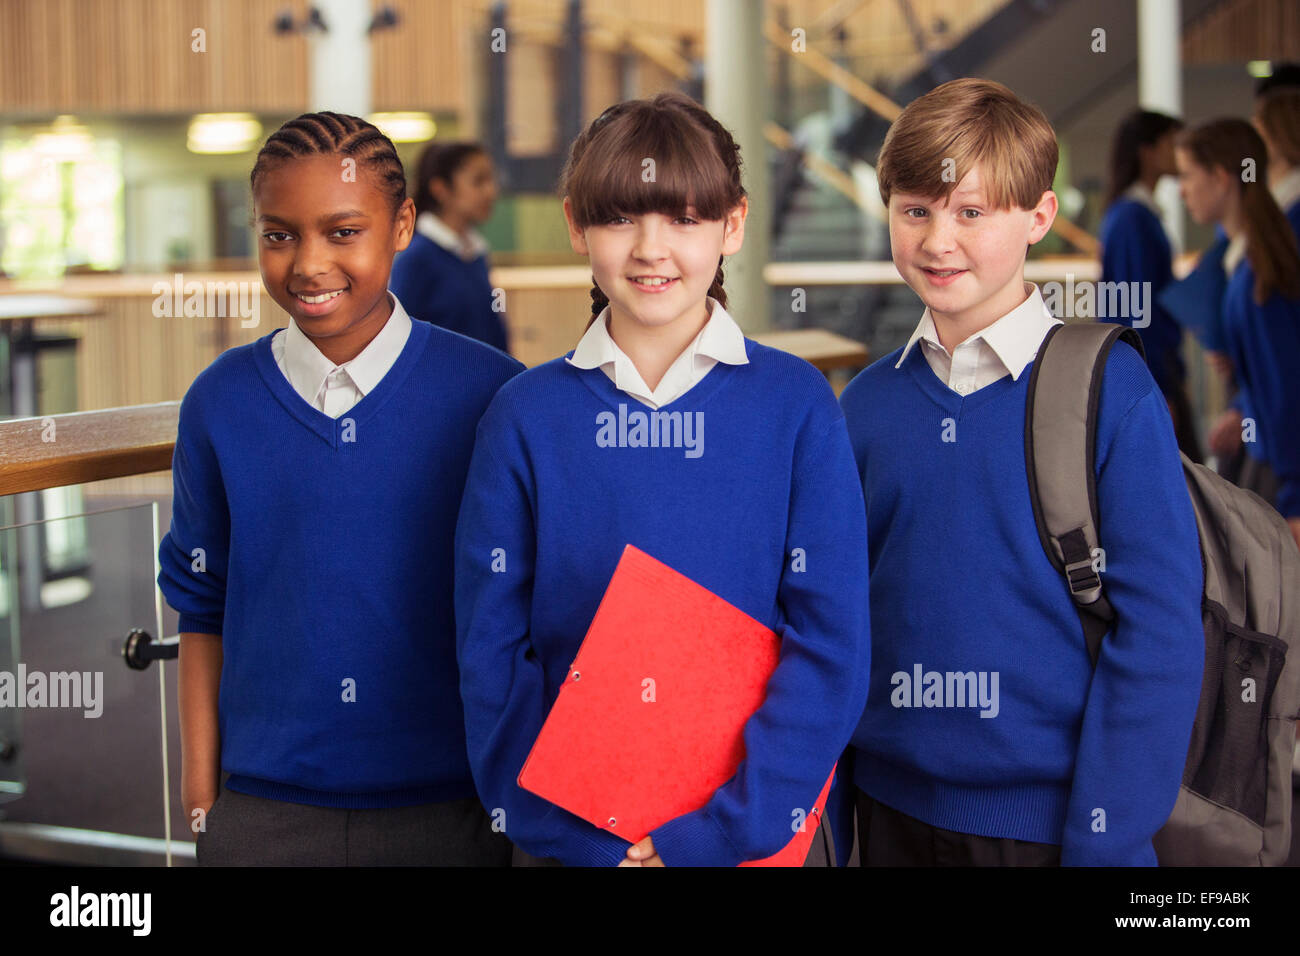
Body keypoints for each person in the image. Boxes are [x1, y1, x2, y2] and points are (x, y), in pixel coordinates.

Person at [453, 92, 871, 867]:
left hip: (759, 838)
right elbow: (492, 652)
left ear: (733, 225)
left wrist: (729, 825)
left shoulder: (796, 404)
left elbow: (831, 642)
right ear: (576, 224)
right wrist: (561, 831)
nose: (651, 249)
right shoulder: (524, 417)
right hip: (570, 841)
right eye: (619, 220)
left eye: (683, 220)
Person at [838, 79, 1204, 866]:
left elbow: (1161, 637)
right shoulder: (865, 406)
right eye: (916, 210)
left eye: (972, 212)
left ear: (1038, 217)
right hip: (886, 815)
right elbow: (836, 620)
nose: (939, 241)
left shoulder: (1108, 391)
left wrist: (1105, 841)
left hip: (1055, 830)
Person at [157, 111, 523, 865]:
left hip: (456, 805)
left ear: (402, 227)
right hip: (264, 809)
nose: (308, 264)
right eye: (279, 234)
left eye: (343, 232)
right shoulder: (219, 402)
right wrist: (202, 799)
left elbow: (529, 608)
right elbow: (200, 605)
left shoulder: (494, 397)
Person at [1178, 118, 1300, 551]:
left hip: (1280, 474)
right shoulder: (1246, 265)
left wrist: (1294, 502)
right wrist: (1242, 403)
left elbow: (1287, 392)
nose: (1181, 189)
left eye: (1188, 175)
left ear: (1221, 177)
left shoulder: (1256, 278)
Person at [1097, 109, 1201, 461]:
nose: (1181, 153)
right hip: (1150, 371)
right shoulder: (1131, 218)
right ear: (1148, 151)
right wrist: (1155, 388)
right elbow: (1135, 312)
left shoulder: (1136, 213)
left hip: (1155, 367)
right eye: (1173, 144)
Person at [389, 141, 510, 353]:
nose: (490, 192)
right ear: (441, 189)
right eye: (478, 181)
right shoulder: (417, 257)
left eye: (491, 180)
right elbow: (399, 341)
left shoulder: (475, 254)